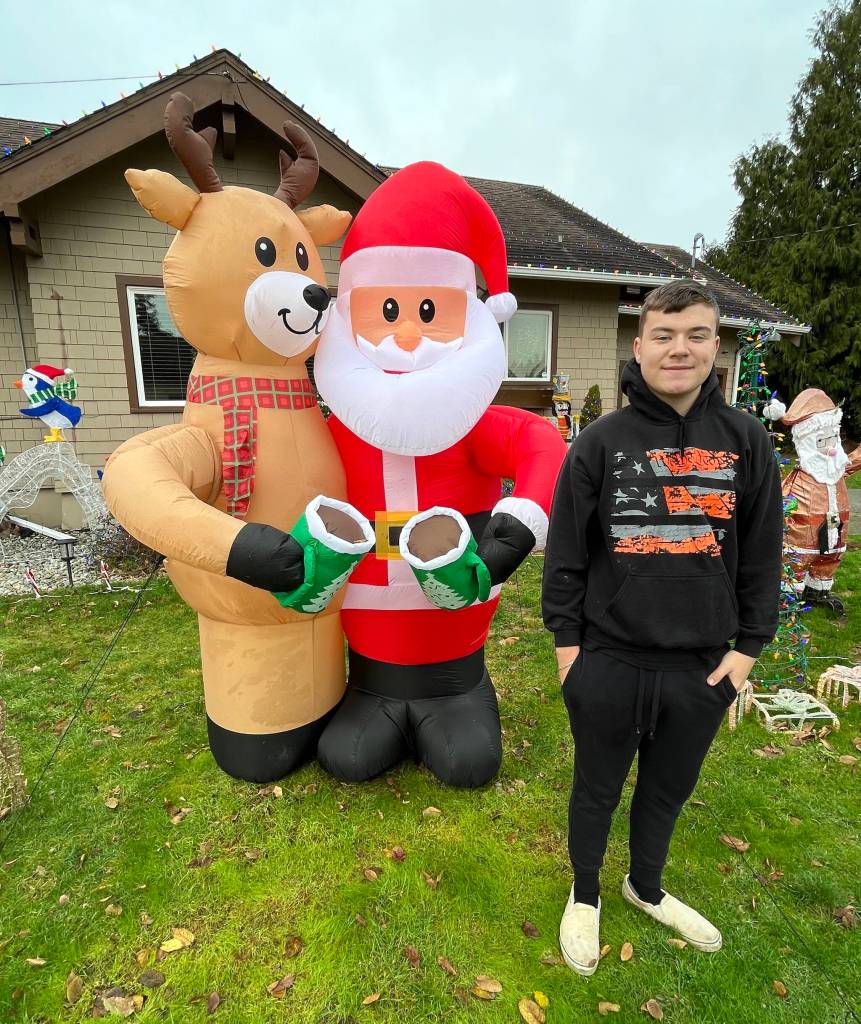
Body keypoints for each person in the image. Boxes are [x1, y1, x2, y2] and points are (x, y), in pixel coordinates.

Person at [542, 280, 783, 975]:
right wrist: (568, 655)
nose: (680, 349)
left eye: (697, 335)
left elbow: (762, 556)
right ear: (638, 344)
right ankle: (584, 894)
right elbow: (563, 557)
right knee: (595, 787)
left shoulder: (745, 444)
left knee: (665, 791)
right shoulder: (599, 443)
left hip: (700, 667)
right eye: (664, 335)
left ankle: (643, 886)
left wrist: (745, 655)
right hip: (608, 660)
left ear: (716, 345)